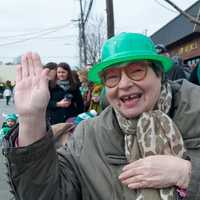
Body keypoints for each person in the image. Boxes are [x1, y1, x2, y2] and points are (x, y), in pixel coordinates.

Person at [2, 34, 200, 200]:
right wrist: (32, 119)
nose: (124, 84)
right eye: (112, 77)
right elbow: (46, 194)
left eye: (137, 71)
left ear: (159, 75)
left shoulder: (195, 113)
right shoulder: (87, 136)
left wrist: (189, 175)